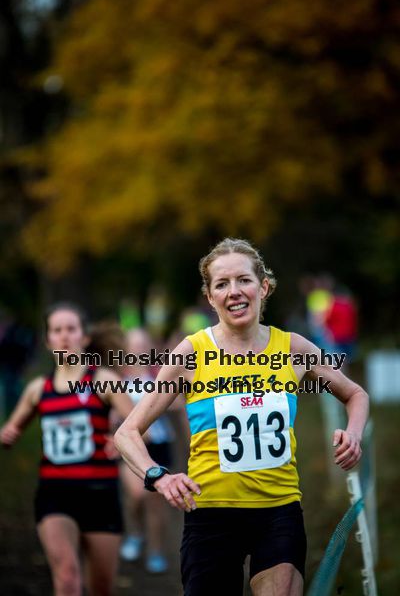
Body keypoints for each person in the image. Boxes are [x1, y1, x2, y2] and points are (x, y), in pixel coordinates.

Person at [115, 238, 369, 596]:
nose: (234, 291)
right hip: (210, 514)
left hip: (279, 510)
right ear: (210, 297)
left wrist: (354, 434)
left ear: (263, 287)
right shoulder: (191, 353)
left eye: (243, 280)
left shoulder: (294, 349)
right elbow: (127, 432)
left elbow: (355, 393)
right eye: (222, 284)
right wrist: (158, 476)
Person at [0, 303, 133, 596]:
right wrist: (9, 433)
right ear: (48, 341)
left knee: (101, 588)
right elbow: (11, 430)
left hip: (101, 493)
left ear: (84, 337)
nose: (64, 337)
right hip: (55, 493)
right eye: (56, 330)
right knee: (67, 576)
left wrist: (120, 440)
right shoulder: (39, 388)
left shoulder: (104, 381)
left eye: (71, 329)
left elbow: (139, 429)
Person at [119, 328, 182, 573]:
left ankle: (155, 552)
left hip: (160, 445)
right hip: (132, 446)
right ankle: (135, 534)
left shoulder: (159, 375)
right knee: (136, 495)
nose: (139, 350)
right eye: (134, 345)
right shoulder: (119, 378)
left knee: (157, 503)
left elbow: (177, 403)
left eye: (143, 345)